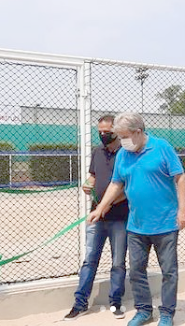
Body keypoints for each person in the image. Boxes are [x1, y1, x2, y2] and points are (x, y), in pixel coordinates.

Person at [88, 112, 185, 326]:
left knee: (168, 271)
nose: (122, 141)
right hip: (136, 225)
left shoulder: (162, 148)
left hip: (165, 223)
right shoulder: (124, 154)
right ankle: (144, 310)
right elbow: (116, 184)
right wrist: (100, 208)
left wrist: (183, 210)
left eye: (124, 136)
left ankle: (167, 313)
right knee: (135, 271)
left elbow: (180, 178)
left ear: (138, 132)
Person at [64, 115, 130, 321]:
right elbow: (93, 175)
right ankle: (80, 303)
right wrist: (87, 184)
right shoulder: (97, 152)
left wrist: (105, 206)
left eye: (106, 132)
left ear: (117, 130)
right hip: (97, 217)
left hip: (119, 217)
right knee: (89, 261)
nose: (102, 135)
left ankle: (115, 303)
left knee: (118, 262)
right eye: (99, 132)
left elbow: (127, 187)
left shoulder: (127, 154)